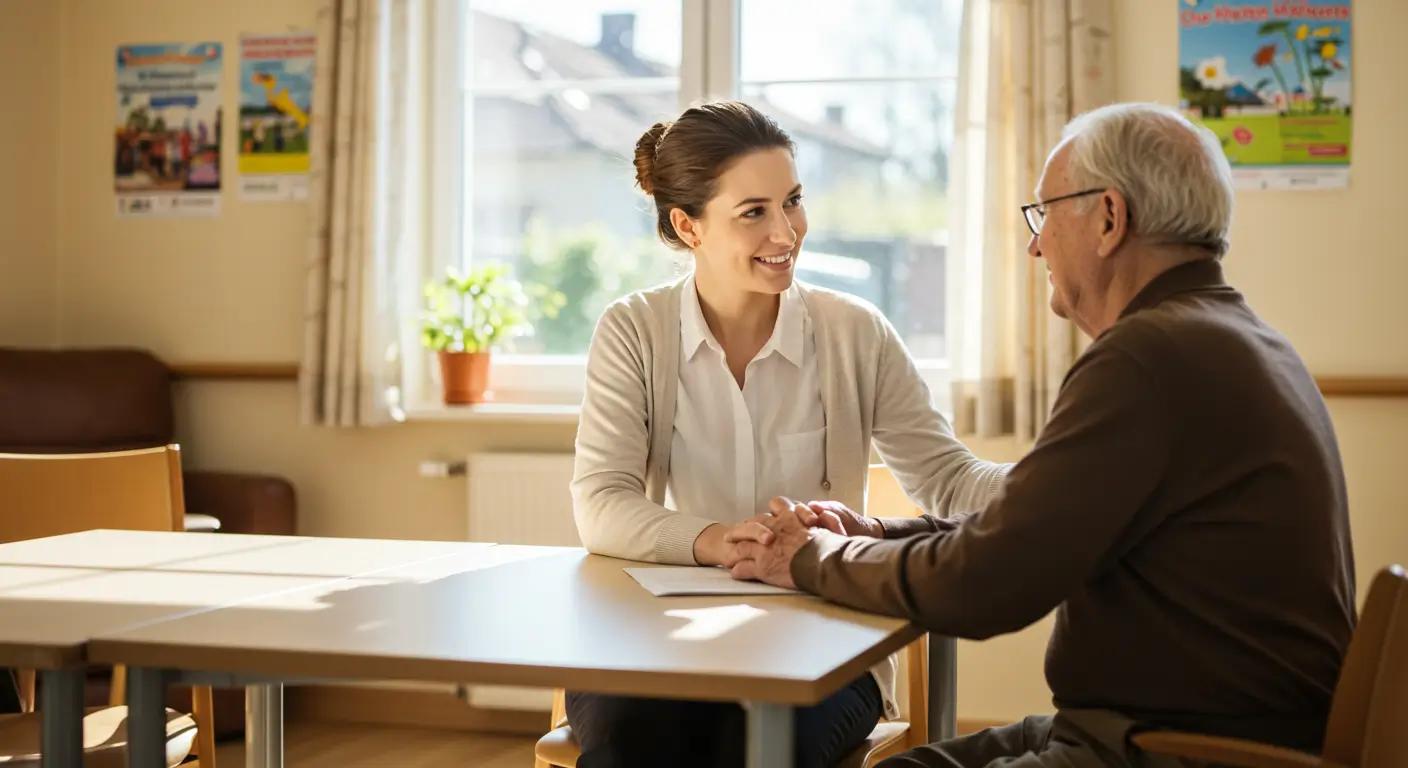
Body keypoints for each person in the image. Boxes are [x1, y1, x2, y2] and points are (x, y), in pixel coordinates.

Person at [726, 102, 1358, 767]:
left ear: (1110, 219)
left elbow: (984, 584)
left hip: (1181, 749)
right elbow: (1026, 523)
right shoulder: (1228, 336)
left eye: (1045, 214)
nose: (1035, 245)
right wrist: (877, 534)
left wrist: (808, 557)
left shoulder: (1149, 359)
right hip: (1169, 728)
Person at [568, 99, 1011, 768]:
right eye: (755, 212)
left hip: (824, 646)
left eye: (793, 201)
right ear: (689, 226)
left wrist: (1062, 484)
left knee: (748, 750)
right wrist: (716, 541)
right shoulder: (634, 330)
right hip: (658, 641)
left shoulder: (855, 333)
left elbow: (947, 481)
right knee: (636, 739)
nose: (787, 232)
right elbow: (601, 502)